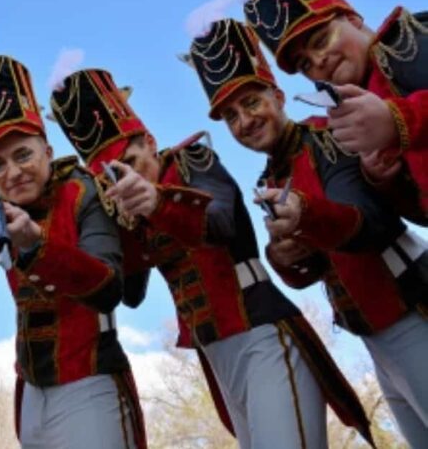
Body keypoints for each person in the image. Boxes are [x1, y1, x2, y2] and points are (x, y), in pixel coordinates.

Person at [50, 64, 372, 448]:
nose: (124, 179)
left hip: (258, 330)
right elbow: (130, 293)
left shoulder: (192, 160)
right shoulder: (126, 209)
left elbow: (222, 221)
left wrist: (157, 204)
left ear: (149, 142)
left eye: (130, 164)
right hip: (213, 353)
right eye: (109, 178)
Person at [192, 16, 428, 446]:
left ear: (279, 97)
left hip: (413, 308)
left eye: (251, 103)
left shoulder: (326, 137)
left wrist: (305, 217)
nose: (244, 121)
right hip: (373, 332)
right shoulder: (270, 179)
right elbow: (313, 268)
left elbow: (369, 225)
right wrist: (284, 259)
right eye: (230, 116)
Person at [0, 25, 145, 449]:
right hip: (31, 391)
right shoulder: (2, 211)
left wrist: (38, 245)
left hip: (91, 380)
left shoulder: (84, 192)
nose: (13, 173)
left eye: (23, 155)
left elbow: (108, 287)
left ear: (48, 152)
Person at [244, 0, 428, 224]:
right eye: (304, 63)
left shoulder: (406, 42)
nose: (318, 61)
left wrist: (397, 119)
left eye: (321, 40)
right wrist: (384, 179)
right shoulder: (351, 120)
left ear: (352, 19)